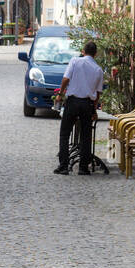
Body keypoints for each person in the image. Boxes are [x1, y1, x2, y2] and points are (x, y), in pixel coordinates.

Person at [54, 39, 104, 175]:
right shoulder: (98, 70)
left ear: (83, 51)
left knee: (65, 133)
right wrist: (94, 109)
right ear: (96, 54)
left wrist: (60, 94)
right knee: (86, 136)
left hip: (73, 101)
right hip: (87, 104)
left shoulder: (75, 61)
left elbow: (66, 79)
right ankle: (83, 167)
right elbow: (98, 93)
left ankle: (63, 166)